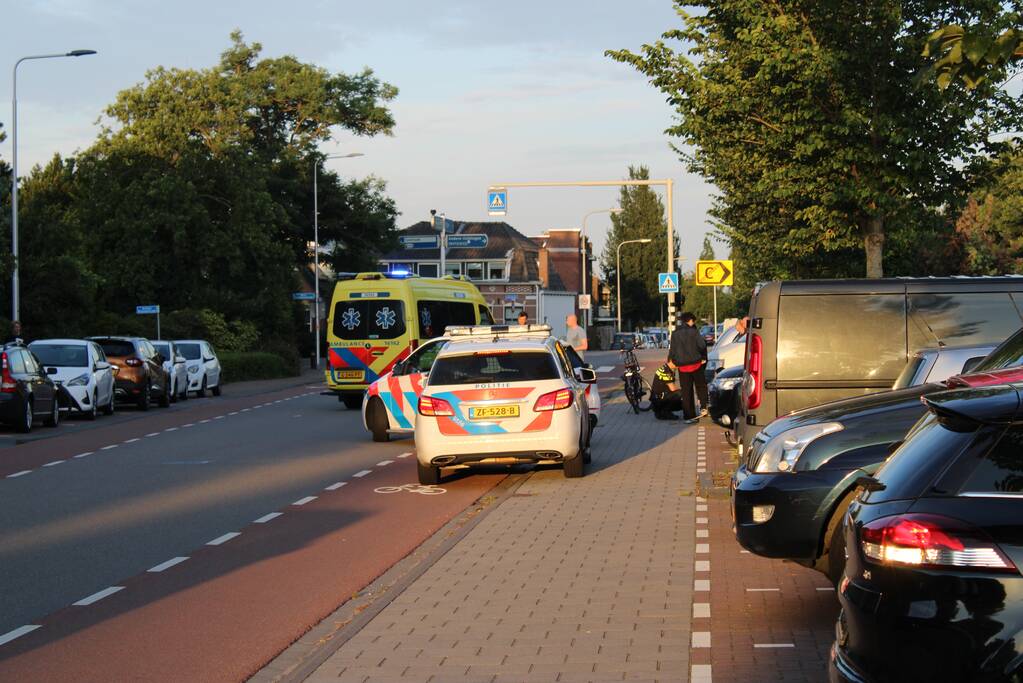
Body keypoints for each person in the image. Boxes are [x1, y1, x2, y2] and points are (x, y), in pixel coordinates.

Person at [668, 312, 708, 423]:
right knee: (701, 386)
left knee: (686, 392)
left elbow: (672, 351)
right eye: (693, 321)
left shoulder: (675, 334)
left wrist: (674, 361)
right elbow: (702, 345)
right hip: (696, 364)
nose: (693, 323)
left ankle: (688, 416)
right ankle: (703, 406)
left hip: (682, 367)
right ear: (689, 320)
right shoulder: (694, 332)